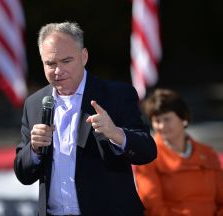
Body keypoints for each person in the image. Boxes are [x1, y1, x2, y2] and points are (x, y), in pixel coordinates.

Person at [13, 21, 157, 216]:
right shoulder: (35, 104)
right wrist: (34, 150)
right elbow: (23, 173)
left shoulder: (116, 95)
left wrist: (116, 133)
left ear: (84, 57)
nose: (58, 70)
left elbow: (147, 151)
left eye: (66, 61)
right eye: (51, 63)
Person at [134, 88, 223, 216]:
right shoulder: (147, 155)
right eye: (157, 121)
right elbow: (153, 207)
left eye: (167, 119)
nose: (161, 126)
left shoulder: (208, 153)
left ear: (183, 119)